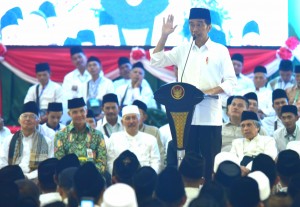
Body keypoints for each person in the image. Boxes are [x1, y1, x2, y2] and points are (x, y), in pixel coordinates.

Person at [149, 7, 236, 180]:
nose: (195, 29)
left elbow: (231, 83)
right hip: (185, 117)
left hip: (209, 117)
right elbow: (155, 60)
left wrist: (207, 92)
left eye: (199, 25)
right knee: (187, 164)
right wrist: (164, 35)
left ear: (209, 27)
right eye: (191, 25)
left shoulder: (220, 50)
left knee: (209, 162)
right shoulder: (183, 49)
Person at [0, 101, 53, 179]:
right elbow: (2, 162)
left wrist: (28, 177)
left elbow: (47, 166)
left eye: (32, 116)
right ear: (19, 120)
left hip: (35, 180)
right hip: (11, 179)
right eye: (24, 116)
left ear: (38, 121)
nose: (28, 119)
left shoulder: (47, 142)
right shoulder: (8, 140)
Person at [54, 97, 107, 173]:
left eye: (82, 111)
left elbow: (102, 162)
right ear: (69, 114)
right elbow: (60, 162)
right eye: (75, 112)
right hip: (70, 180)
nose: (79, 115)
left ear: (86, 111)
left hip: (93, 178)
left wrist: (87, 174)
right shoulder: (60, 135)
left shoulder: (97, 135)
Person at [106, 105, 160, 174]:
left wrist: (149, 178)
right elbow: (110, 162)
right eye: (128, 118)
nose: (131, 121)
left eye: (134, 118)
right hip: (121, 179)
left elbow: (155, 162)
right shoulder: (114, 138)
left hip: (144, 179)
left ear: (139, 120)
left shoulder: (151, 139)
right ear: (122, 122)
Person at [132, 100, 165, 168]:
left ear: (145, 117)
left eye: (138, 115)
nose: (134, 119)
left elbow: (161, 156)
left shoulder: (153, 131)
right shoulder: (123, 131)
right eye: (132, 115)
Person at [61, 46, 90, 123]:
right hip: (76, 115)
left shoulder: (94, 74)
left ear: (85, 57)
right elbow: (65, 98)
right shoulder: (69, 77)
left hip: (92, 114)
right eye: (75, 58)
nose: (78, 60)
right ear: (72, 61)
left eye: (80, 57)